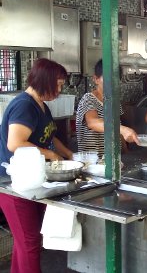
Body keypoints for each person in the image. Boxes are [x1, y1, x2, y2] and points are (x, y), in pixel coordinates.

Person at [0, 58, 74, 272]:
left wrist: (69, 154)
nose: (60, 90)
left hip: (31, 180)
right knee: (30, 244)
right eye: (58, 84)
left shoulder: (41, 105)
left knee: (25, 242)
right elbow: (15, 143)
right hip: (13, 183)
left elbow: (51, 136)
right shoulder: (24, 105)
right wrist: (51, 154)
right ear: (45, 81)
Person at [76, 60, 140, 156]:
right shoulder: (88, 99)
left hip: (113, 160)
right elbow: (92, 122)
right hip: (93, 163)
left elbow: (118, 130)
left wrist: (126, 152)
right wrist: (122, 129)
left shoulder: (114, 102)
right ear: (96, 79)